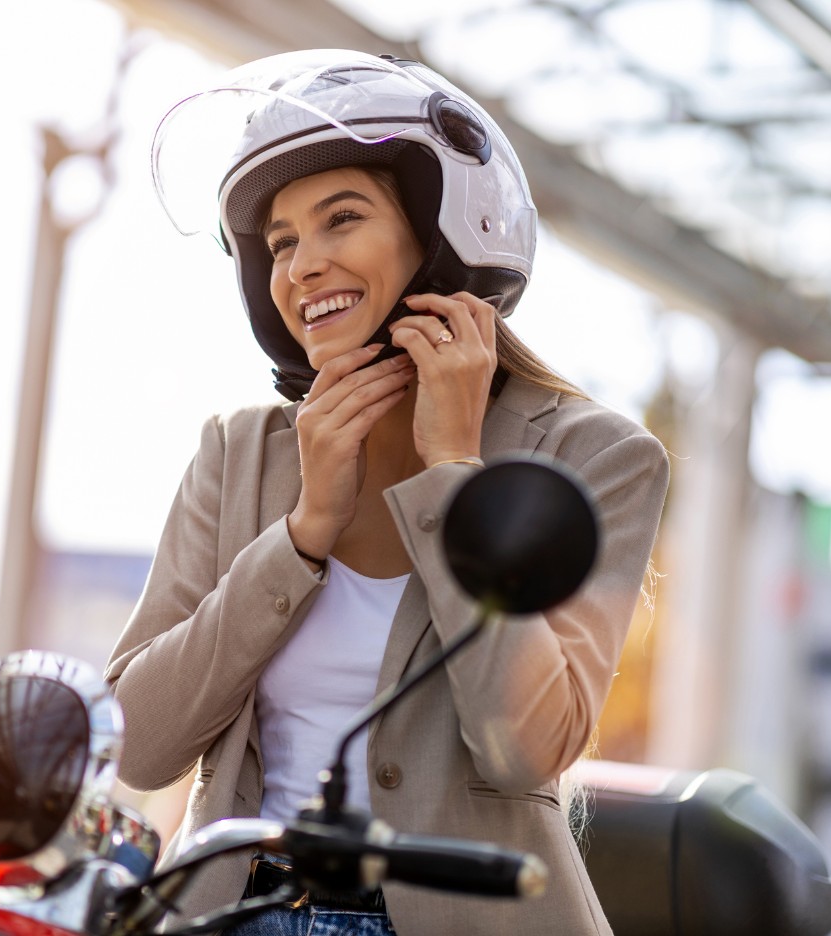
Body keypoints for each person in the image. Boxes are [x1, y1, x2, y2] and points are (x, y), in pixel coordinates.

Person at [104, 50, 669, 935]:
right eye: (282, 242)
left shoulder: (595, 456)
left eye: (341, 219)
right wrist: (301, 533)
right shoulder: (238, 451)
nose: (301, 267)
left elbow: (525, 749)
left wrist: (452, 474)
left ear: (442, 232)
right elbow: (138, 745)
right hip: (232, 914)